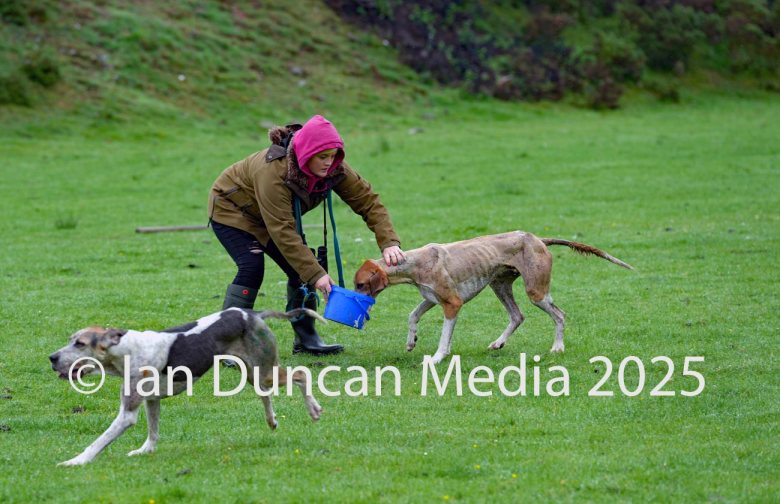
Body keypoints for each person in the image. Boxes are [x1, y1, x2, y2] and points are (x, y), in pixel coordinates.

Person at [208, 115, 405, 355]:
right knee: (252, 267)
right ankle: (227, 346)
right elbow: (282, 230)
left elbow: (368, 202)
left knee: (301, 270)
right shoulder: (273, 172)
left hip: (270, 216)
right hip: (232, 209)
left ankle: (306, 339)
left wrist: (389, 243)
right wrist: (316, 275)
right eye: (323, 157)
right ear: (306, 153)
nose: (328, 163)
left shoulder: (334, 168)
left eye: (333, 156)